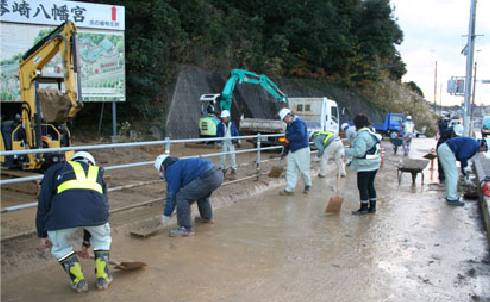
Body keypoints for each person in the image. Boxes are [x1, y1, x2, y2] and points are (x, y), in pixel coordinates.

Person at [36, 151, 112, 292]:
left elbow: (44, 203)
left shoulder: (55, 170)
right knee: (102, 240)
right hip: (97, 215)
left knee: (61, 248)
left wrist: (42, 234)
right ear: (90, 163)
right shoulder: (97, 173)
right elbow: (95, 211)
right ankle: (103, 278)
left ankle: (78, 282)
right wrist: (86, 244)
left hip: (62, 215)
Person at [155, 154, 223, 236]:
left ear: (162, 166)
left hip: (207, 176)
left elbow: (172, 193)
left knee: (181, 197)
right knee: (200, 193)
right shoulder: (179, 164)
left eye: (160, 170)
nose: (162, 172)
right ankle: (207, 218)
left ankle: (185, 228)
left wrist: (166, 214)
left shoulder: (171, 169)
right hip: (217, 174)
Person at [344, 113, 382, 215]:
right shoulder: (372, 133)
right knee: (371, 186)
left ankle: (364, 208)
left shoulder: (361, 136)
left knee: (362, 187)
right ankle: (372, 207)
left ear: (357, 124)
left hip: (365, 166)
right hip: (374, 165)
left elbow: (359, 152)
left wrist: (345, 151)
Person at [437, 133, 479, 206]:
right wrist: (465, 170)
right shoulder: (474, 145)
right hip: (447, 150)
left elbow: (462, 156)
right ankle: (452, 199)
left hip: (444, 148)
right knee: (453, 175)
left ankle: (449, 196)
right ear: (484, 145)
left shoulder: (472, 142)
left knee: (450, 175)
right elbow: (462, 156)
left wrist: (464, 170)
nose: (482, 151)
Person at [278, 108, 312, 195]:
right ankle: (290, 189)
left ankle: (307, 185)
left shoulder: (299, 122)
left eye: (283, 119)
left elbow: (301, 134)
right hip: (292, 150)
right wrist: (285, 151)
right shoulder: (289, 125)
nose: (284, 121)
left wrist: (288, 139)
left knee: (304, 170)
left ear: (288, 115)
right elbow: (287, 141)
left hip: (302, 149)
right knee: (291, 170)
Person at [217, 110, 240, 176]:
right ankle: (223, 169)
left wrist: (238, 139)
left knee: (232, 156)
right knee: (222, 156)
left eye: (224, 118)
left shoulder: (232, 124)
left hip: (230, 141)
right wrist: (219, 142)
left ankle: (233, 168)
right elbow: (219, 134)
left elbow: (236, 132)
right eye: (222, 118)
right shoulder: (220, 125)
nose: (223, 119)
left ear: (227, 117)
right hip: (224, 142)